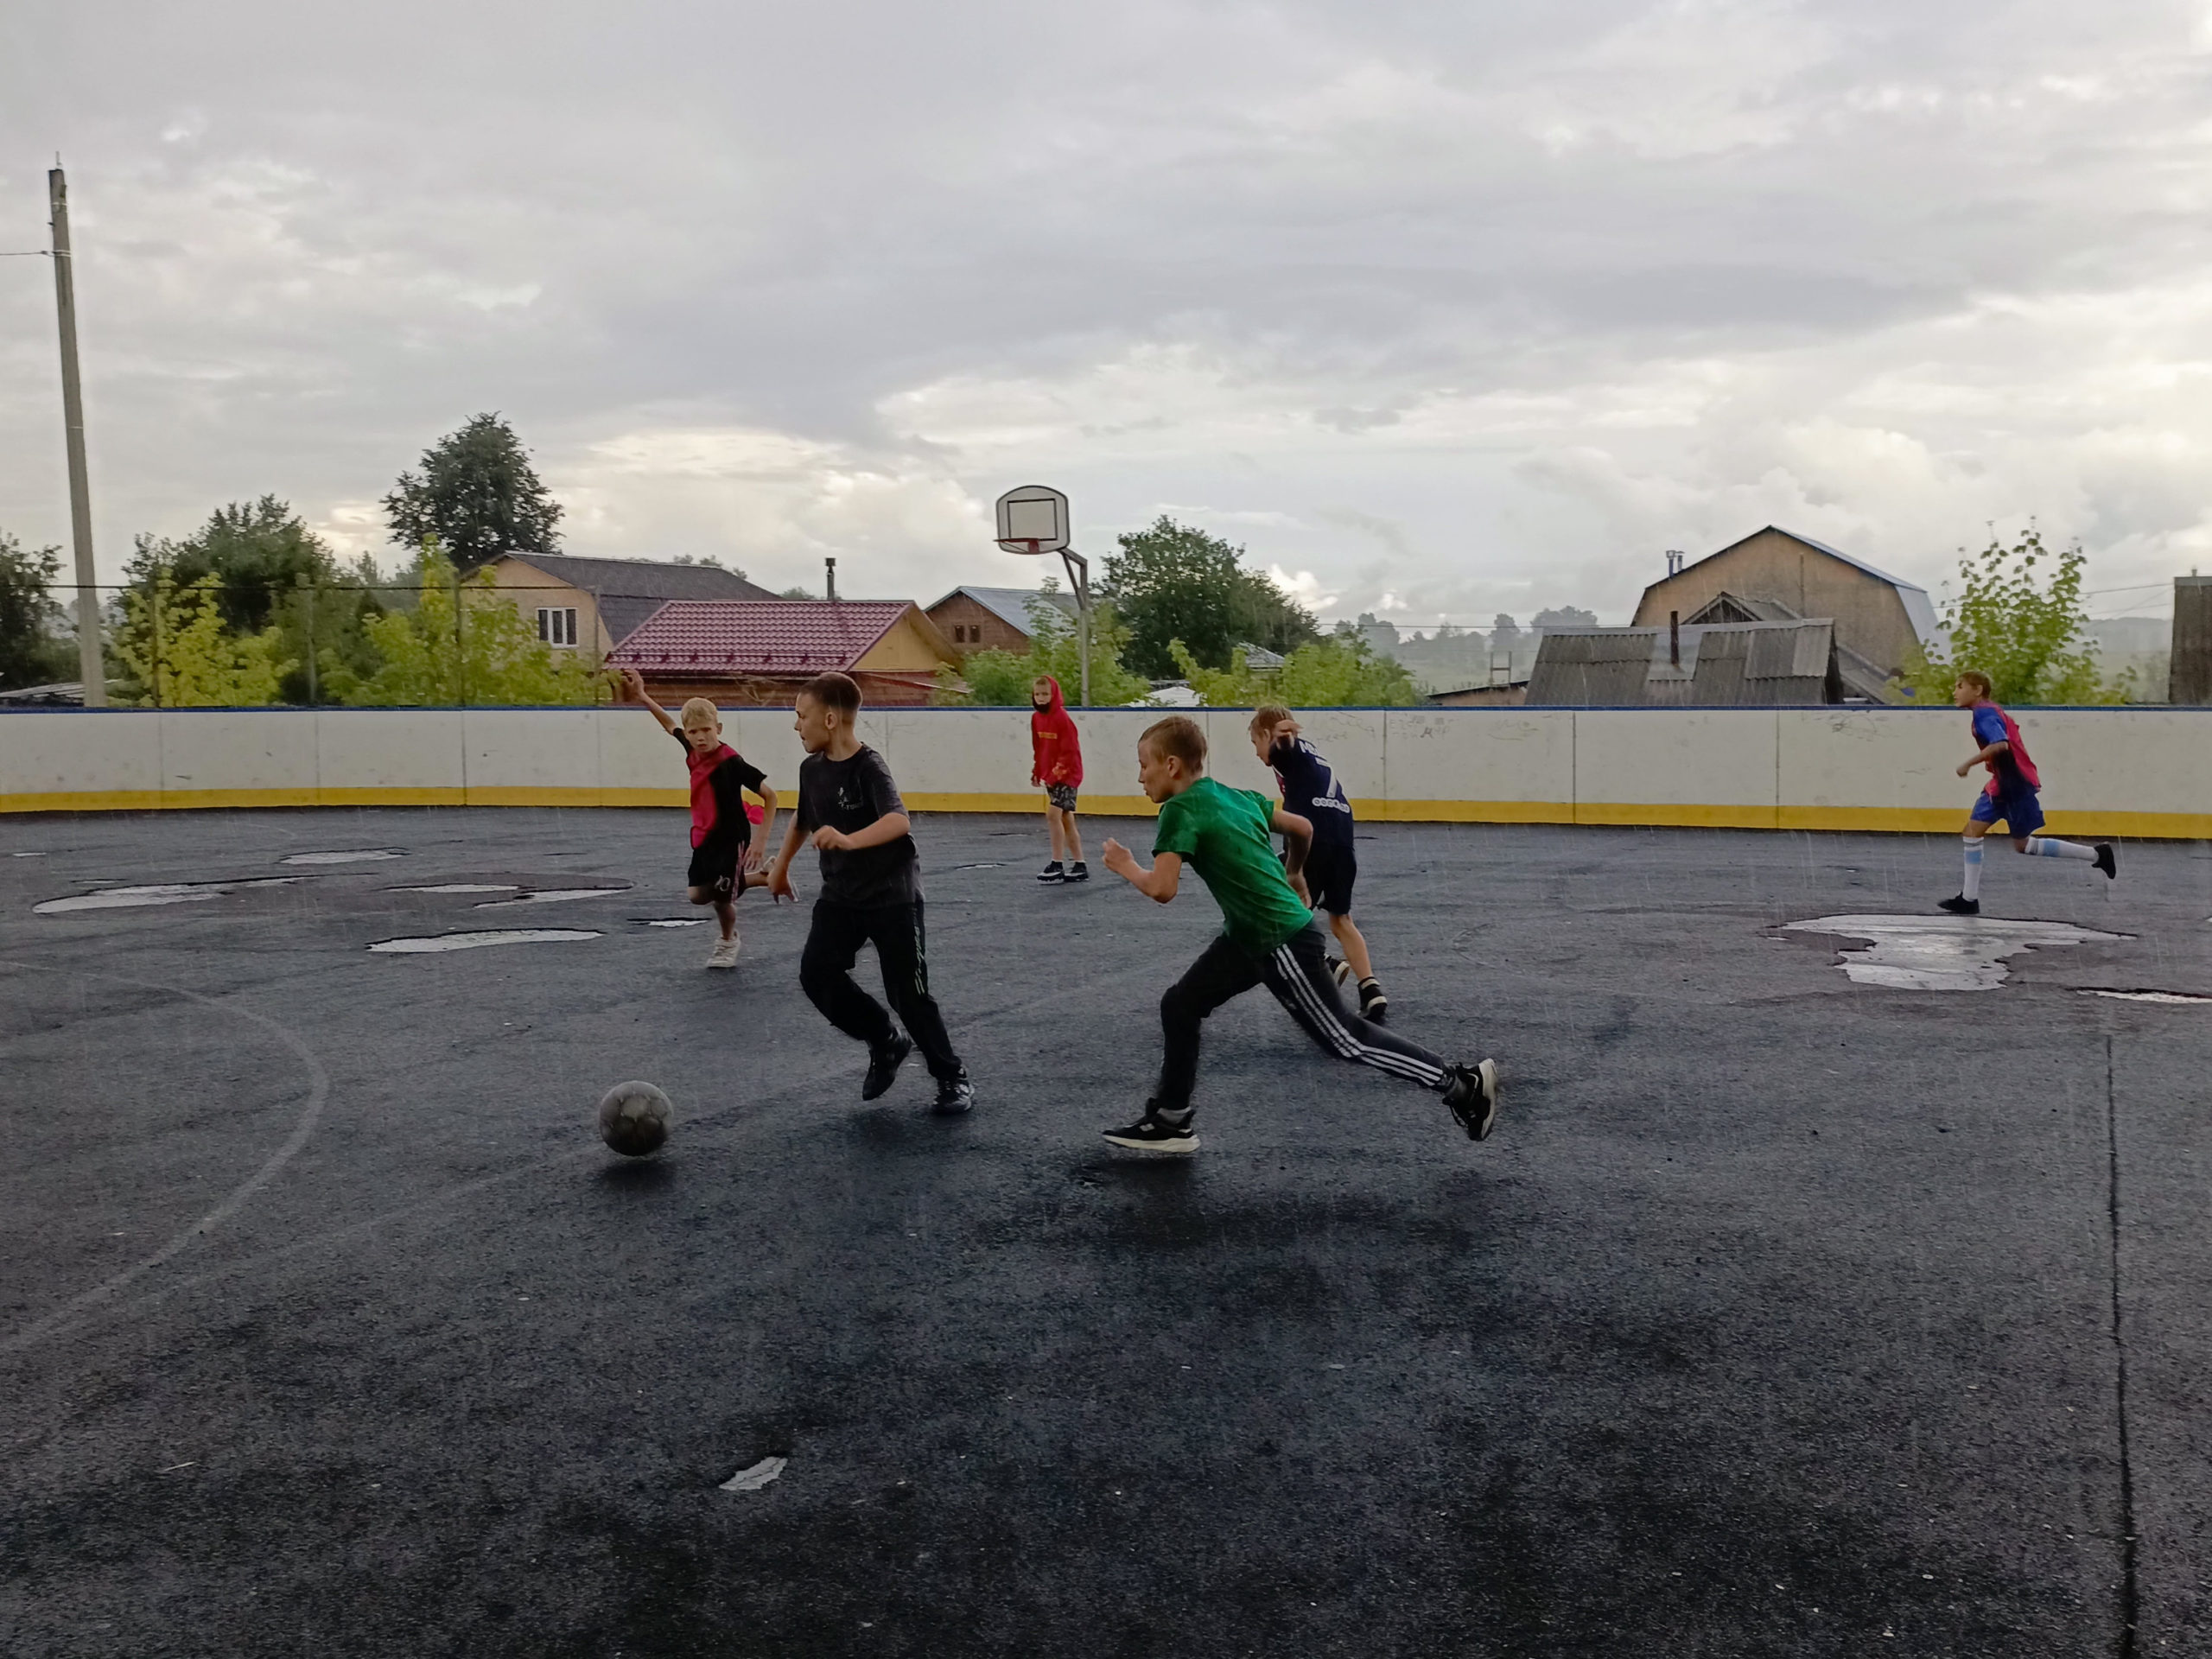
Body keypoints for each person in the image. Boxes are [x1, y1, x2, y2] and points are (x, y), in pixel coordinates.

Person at [1096, 715, 1497, 1154]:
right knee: (1180, 1004)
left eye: (1143, 765)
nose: (1139, 777)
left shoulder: (1179, 810)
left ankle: (1462, 1085)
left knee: (1344, 1038)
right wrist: (1295, 873)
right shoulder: (1236, 796)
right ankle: (1171, 1120)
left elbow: (1162, 889)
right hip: (1249, 937)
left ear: (1171, 766)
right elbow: (1303, 828)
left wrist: (1126, 865)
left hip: (1279, 938)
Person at [767, 671, 975, 1113]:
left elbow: (899, 821)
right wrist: (781, 866)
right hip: (841, 895)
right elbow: (803, 819)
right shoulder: (811, 770)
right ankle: (885, 1039)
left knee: (909, 994)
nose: (795, 726)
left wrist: (849, 839)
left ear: (829, 719)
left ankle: (951, 1076)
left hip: (892, 895)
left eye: (801, 716)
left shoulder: (869, 767)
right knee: (816, 974)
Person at [616, 667, 774, 969]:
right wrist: (641, 695)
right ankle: (763, 878)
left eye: (707, 730)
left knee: (721, 898)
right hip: (704, 834)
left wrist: (761, 842)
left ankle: (728, 941)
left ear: (719, 728)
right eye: (694, 732)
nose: (700, 738)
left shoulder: (733, 762)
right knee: (697, 895)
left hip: (731, 836)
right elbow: (668, 724)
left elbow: (771, 796)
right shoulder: (691, 749)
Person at [1939, 670, 2116, 916]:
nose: (1954, 691)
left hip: (2014, 787)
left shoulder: (1985, 714)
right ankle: (1969, 899)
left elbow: (2000, 744)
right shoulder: (1989, 711)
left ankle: (2096, 854)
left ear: (1977, 690)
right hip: (2001, 785)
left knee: (2022, 845)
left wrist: (1968, 763)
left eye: (1960, 686)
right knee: (1972, 832)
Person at [1249, 704, 1385, 1022]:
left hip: (1313, 841)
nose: (1257, 753)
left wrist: (1282, 738)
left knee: (1273, 904)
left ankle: (1324, 963)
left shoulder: (1286, 749)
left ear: (1267, 734)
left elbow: (1284, 750)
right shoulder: (1313, 754)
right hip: (1342, 841)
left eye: (1256, 742)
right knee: (1341, 920)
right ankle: (1371, 990)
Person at [1030, 674, 1087, 884]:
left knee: (1053, 814)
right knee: (1065, 818)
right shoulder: (1036, 719)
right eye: (1038, 694)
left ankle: (1057, 863)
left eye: (1045, 694)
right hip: (1051, 775)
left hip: (1069, 774)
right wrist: (1038, 770)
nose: (1041, 698)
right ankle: (1080, 864)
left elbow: (1070, 751)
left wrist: (1057, 773)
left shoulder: (1062, 719)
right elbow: (1039, 747)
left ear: (1054, 695)